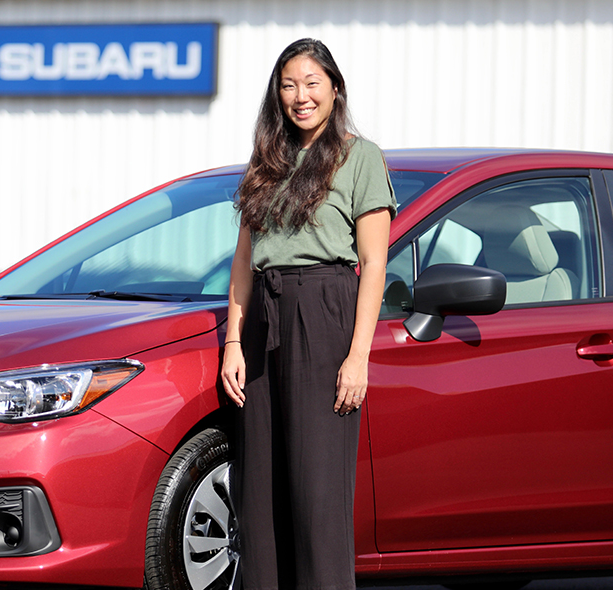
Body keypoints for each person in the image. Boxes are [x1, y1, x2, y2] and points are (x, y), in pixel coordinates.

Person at [220, 38, 395, 590]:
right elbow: (244, 263)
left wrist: (357, 357)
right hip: (264, 321)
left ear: (334, 89)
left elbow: (373, 261)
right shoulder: (265, 163)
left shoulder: (358, 156)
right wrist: (232, 343)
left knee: (317, 497)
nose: (301, 97)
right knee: (260, 495)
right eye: (289, 85)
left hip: (325, 312)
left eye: (312, 83)